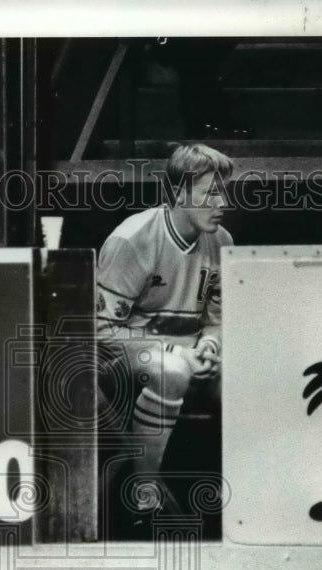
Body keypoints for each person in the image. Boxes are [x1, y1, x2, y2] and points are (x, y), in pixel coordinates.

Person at [95, 143, 233, 524]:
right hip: (122, 357)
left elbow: (219, 320)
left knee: (243, 374)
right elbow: (101, 330)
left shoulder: (223, 242)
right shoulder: (132, 239)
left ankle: (240, 492)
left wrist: (209, 344)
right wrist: (178, 351)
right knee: (171, 370)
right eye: (211, 192)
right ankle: (143, 494)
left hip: (187, 351)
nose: (222, 202)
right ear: (179, 192)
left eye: (224, 190)